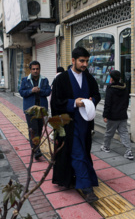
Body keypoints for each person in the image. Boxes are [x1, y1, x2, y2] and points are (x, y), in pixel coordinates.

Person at [51, 47, 101, 203]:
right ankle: (87, 188)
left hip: (85, 125)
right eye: (82, 61)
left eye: (87, 61)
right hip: (68, 125)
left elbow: (97, 94)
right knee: (78, 153)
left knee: (83, 152)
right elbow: (55, 102)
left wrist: (92, 100)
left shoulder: (89, 78)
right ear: (73, 60)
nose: (85, 64)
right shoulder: (61, 79)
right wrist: (74, 103)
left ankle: (73, 176)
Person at [19, 61, 52, 160]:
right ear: (30, 70)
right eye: (33, 69)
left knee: (40, 129)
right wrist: (31, 91)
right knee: (33, 130)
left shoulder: (44, 80)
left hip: (41, 110)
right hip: (30, 110)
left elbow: (48, 92)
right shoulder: (25, 80)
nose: (35, 71)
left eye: (37, 69)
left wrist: (40, 90)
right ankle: (36, 150)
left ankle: (35, 148)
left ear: (39, 69)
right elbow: (21, 92)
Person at [101, 70, 134, 160]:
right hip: (122, 115)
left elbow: (107, 103)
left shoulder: (110, 88)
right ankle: (128, 151)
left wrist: (105, 115)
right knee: (124, 133)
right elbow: (127, 102)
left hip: (112, 116)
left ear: (111, 78)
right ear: (119, 78)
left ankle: (106, 147)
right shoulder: (125, 88)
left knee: (109, 133)